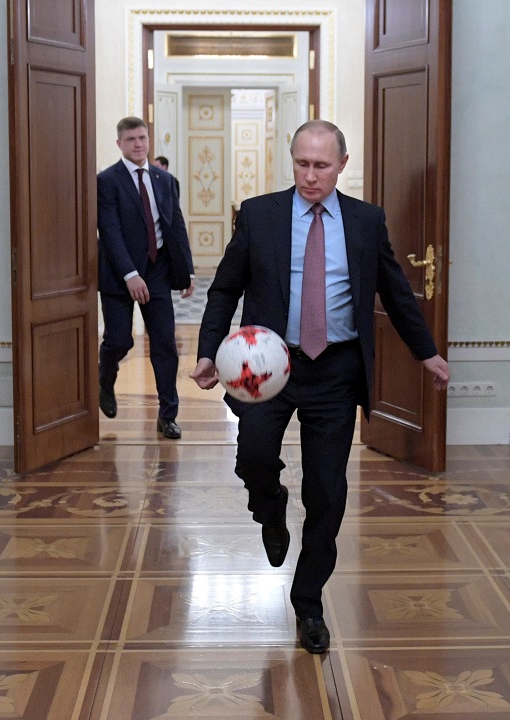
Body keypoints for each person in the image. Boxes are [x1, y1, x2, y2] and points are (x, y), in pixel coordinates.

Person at [190, 119, 449, 653]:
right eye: (301, 164)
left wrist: (427, 353)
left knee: (328, 494)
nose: (310, 176)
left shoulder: (364, 221)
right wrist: (207, 351)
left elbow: (397, 293)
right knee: (254, 457)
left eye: (321, 165)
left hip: (336, 370)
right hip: (267, 366)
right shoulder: (259, 214)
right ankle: (269, 506)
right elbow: (224, 290)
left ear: (342, 165)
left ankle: (309, 605)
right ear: (293, 161)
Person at [98, 117, 195, 439]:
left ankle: (168, 415)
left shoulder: (165, 180)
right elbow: (109, 232)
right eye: (131, 139)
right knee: (119, 340)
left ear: (148, 139)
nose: (138, 144)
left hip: (157, 272)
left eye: (142, 138)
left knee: (165, 344)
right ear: (119, 144)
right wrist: (130, 274)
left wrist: (186, 271)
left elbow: (175, 226)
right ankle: (105, 378)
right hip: (118, 274)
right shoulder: (107, 181)